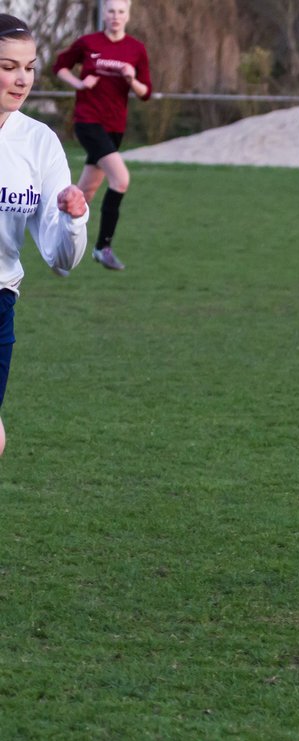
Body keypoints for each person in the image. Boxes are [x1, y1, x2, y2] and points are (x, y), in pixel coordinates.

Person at [0, 15, 90, 456]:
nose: (22, 80)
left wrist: (73, 217)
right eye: (7, 66)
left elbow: (60, 260)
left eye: (30, 67)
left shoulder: (40, 143)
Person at [53, 0, 150, 271]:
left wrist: (132, 79)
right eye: (110, 11)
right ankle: (102, 247)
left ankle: (60, 249)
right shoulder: (88, 42)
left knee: (85, 192)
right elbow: (59, 66)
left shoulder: (136, 49)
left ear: (128, 15)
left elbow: (146, 93)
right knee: (120, 179)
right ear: (103, 14)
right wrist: (80, 84)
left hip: (114, 127)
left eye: (121, 11)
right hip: (88, 122)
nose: (115, 16)